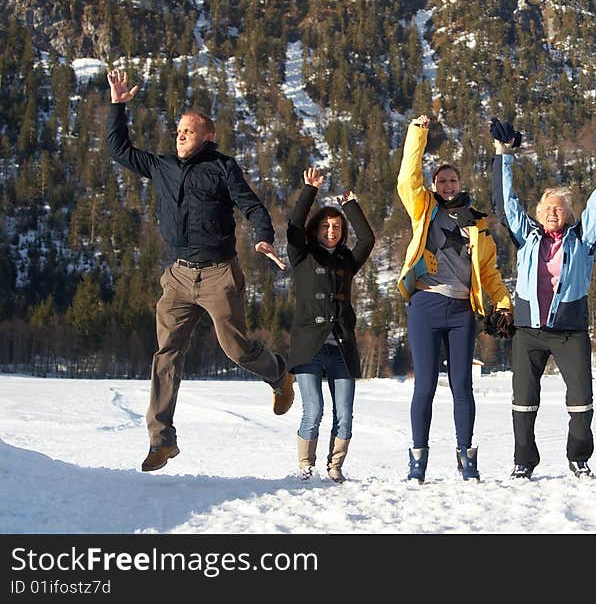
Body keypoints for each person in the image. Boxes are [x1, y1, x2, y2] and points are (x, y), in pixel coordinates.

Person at [105, 69, 295, 472]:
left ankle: (278, 373)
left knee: (236, 349)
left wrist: (263, 236)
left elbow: (254, 206)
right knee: (166, 355)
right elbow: (119, 150)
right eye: (178, 131)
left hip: (218, 274)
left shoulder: (223, 168)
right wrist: (118, 107)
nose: (181, 135)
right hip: (177, 276)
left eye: (189, 131)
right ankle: (161, 441)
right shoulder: (161, 166)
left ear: (208, 136)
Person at [492, 117, 596, 479]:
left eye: (560, 208)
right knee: (523, 400)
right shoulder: (527, 237)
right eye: (547, 207)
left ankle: (578, 456)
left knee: (581, 399)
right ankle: (524, 461)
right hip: (527, 331)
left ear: (569, 214)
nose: (553, 211)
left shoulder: (583, 239)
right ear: (537, 215)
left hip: (570, 329)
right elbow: (506, 204)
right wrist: (503, 155)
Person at [396, 114, 513, 483]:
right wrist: (419, 133)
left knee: (462, 385)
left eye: (452, 180)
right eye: (441, 181)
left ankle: (467, 457)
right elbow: (406, 179)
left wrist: (504, 304)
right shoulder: (423, 210)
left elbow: (489, 273)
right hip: (426, 305)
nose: (447, 185)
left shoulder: (476, 223)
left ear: (461, 184)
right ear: (433, 185)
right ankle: (418, 459)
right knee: (425, 385)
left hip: (462, 309)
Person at [286, 167, 375, 483]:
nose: (331, 230)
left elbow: (367, 238)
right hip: (309, 348)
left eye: (337, 226)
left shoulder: (347, 261)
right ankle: (305, 466)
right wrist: (309, 190)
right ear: (316, 229)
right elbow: (294, 225)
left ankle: (335, 466)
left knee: (345, 416)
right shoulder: (301, 255)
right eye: (325, 225)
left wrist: (351, 206)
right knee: (313, 411)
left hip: (341, 349)